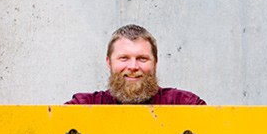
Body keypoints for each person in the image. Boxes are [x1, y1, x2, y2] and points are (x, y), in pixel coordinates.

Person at [66, 24, 205, 105]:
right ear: (109, 62)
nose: (133, 66)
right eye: (124, 58)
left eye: (142, 59)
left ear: (155, 63)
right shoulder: (84, 106)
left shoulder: (184, 104)